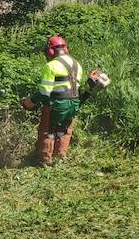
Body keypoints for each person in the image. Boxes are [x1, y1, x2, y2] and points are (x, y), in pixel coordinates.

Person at [20, 36, 107, 164]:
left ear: (50, 51)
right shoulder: (77, 64)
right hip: (74, 103)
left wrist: (30, 102)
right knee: (64, 131)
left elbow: (44, 93)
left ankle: (44, 160)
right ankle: (59, 158)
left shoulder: (51, 66)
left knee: (47, 131)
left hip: (57, 103)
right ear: (66, 49)